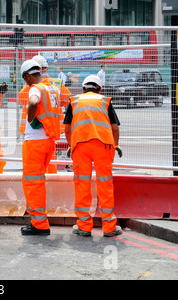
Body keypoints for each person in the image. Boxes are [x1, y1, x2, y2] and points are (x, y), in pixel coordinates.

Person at [64, 74, 122, 237]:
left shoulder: (74, 101)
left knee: (82, 184)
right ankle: (109, 227)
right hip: (103, 146)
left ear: (83, 88)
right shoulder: (105, 101)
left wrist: (71, 144)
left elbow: (67, 129)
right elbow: (115, 128)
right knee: (105, 184)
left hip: (81, 147)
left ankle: (84, 226)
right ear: (99, 89)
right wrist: (115, 145)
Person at [20, 59, 60, 236]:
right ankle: (38, 220)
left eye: (25, 80)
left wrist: (30, 117)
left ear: (28, 76)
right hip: (47, 140)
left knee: (32, 183)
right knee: (38, 181)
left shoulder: (35, 89)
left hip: (35, 142)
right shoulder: (52, 88)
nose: (26, 83)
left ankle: (39, 224)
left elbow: (34, 102)